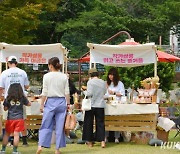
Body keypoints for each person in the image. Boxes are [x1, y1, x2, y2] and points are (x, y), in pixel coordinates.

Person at [36, 57, 70, 154]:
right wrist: (68, 104)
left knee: (45, 124)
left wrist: (42, 104)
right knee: (59, 127)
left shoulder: (46, 76)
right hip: (61, 102)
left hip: (50, 101)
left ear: (50, 65)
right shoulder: (64, 76)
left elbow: (44, 92)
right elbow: (66, 92)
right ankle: (57, 149)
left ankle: (40, 145)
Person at [0, 56, 30, 146]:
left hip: (8, 99)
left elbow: (1, 88)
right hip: (21, 98)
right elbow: (27, 86)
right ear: (16, 63)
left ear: (8, 63)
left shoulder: (4, 73)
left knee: (9, 120)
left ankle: (11, 140)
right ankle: (24, 141)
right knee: (22, 119)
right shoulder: (22, 72)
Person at [0, 83, 31, 154]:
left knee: (7, 134)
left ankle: (3, 150)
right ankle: (14, 150)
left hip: (10, 118)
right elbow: (29, 104)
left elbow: (5, 108)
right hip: (19, 119)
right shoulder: (22, 98)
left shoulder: (8, 98)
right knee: (16, 134)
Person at [82, 68, 106, 148]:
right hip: (100, 105)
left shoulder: (90, 82)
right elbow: (104, 92)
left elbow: (89, 93)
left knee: (89, 123)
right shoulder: (103, 82)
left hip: (91, 105)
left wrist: (83, 91)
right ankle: (102, 141)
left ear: (90, 75)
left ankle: (89, 142)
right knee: (100, 123)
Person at [105, 67, 125, 143]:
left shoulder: (120, 84)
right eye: (109, 74)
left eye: (112, 75)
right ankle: (105, 137)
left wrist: (113, 93)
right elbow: (105, 93)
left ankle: (117, 137)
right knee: (107, 120)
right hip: (108, 103)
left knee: (116, 120)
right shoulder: (106, 83)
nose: (110, 76)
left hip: (117, 104)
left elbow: (122, 94)